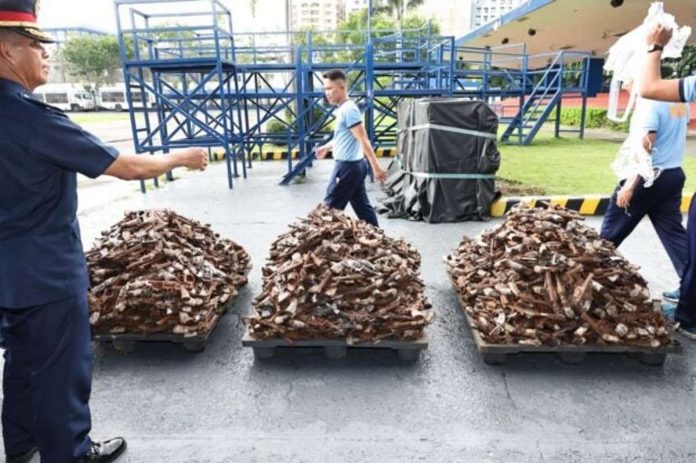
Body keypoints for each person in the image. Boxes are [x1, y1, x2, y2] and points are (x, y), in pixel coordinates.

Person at [0, 1, 208, 461]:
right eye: (36, 46)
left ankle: (21, 445)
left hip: (6, 274)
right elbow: (127, 166)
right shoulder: (32, 119)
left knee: (20, 364)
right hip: (46, 275)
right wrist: (180, 158)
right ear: (8, 53)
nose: (46, 56)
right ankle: (70, 452)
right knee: (60, 372)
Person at [600, 81, 688, 291]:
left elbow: (647, 143)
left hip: (647, 179)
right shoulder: (677, 100)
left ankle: (585, 281)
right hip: (673, 175)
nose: (626, 86)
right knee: (675, 237)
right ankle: (691, 291)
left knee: (607, 237)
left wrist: (630, 185)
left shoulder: (649, 102)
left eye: (628, 80)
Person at [639, 23, 696, 339]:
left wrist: (654, 46)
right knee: (677, 233)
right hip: (676, 174)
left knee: (610, 232)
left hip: (654, 175)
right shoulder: (681, 104)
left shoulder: (655, 102)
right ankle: (687, 294)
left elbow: (649, 87)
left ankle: (689, 314)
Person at [315, 69, 388, 227]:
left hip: (347, 167)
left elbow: (363, 139)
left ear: (341, 87)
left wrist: (376, 167)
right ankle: (378, 239)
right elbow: (343, 137)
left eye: (330, 89)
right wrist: (326, 147)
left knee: (329, 210)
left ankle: (320, 247)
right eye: (325, 89)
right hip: (354, 166)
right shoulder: (342, 109)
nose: (327, 93)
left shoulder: (349, 109)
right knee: (363, 208)